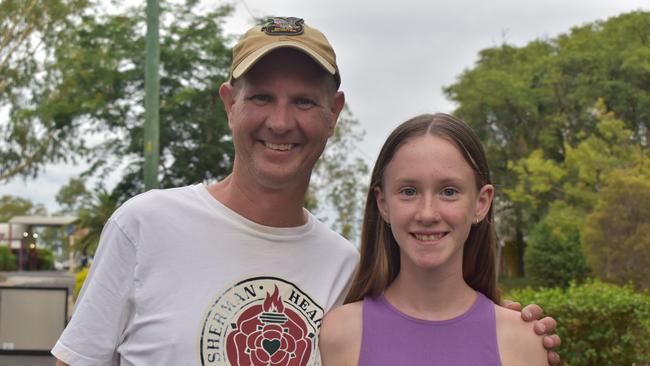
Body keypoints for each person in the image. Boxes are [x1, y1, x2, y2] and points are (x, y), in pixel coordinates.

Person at [52, 17, 559, 366]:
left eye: (303, 101)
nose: (280, 121)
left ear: (334, 112)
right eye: (262, 97)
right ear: (230, 103)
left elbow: (427, 327)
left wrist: (507, 331)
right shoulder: (145, 224)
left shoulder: (346, 269)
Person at [319, 113, 554, 365]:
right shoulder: (339, 333)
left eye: (449, 191)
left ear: (481, 202)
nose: (428, 214)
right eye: (409, 191)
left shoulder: (523, 340)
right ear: (383, 203)